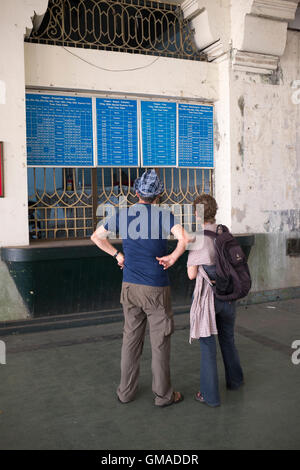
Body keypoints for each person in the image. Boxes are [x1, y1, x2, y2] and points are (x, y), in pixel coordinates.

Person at [91, 169, 189, 407]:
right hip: (155, 288)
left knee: (131, 340)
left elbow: (96, 237)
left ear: (136, 193)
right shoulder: (164, 216)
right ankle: (163, 395)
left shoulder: (121, 214)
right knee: (160, 342)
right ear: (159, 195)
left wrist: (117, 254)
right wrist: (172, 258)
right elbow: (184, 240)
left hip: (130, 287)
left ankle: (125, 392)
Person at [187, 194, 244, 407]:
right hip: (229, 296)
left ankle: (209, 396)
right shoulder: (225, 233)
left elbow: (191, 275)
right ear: (215, 211)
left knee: (208, 346)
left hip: (208, 299)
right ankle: (236, 381)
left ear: (197, 214)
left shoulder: (199, 238)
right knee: (228, 339)